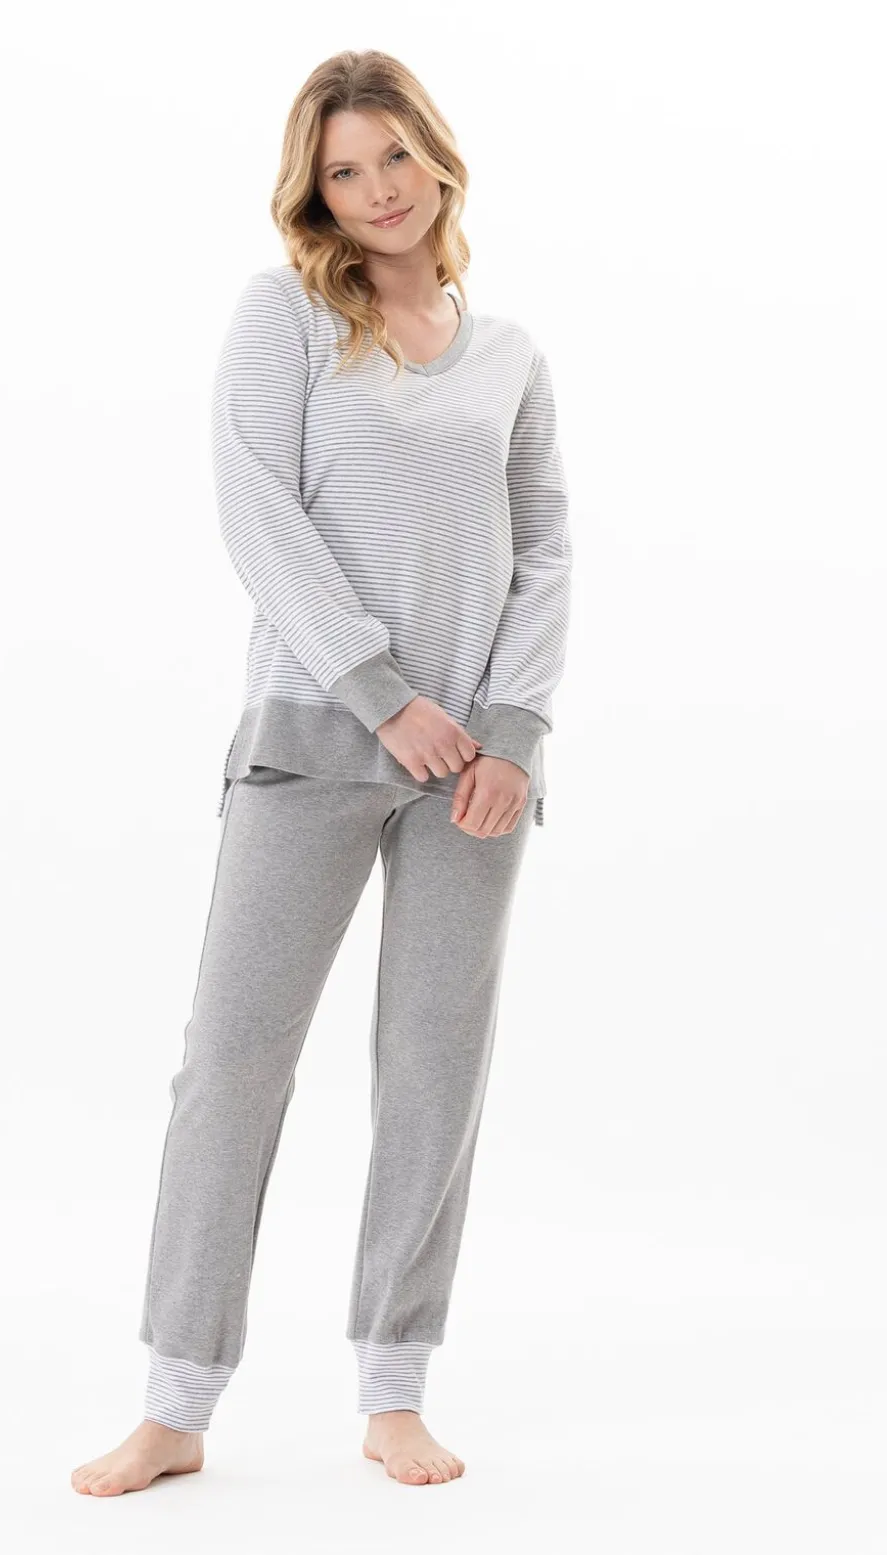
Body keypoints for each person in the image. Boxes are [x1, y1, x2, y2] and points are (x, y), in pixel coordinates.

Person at [72, 47, 572, 1497]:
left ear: (438, 157)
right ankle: (176, 1401)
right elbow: (257, 516)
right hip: (313, 740)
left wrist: (514, 733)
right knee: (232, 1062)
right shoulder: (285, 315)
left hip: (474, 769)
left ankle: (394, 1387)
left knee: (434, 1067)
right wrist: (380, 695)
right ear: (317, 192)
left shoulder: (508, 352)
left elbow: (546, 548)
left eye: (394, 157)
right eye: (345, 171)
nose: (378, 190)